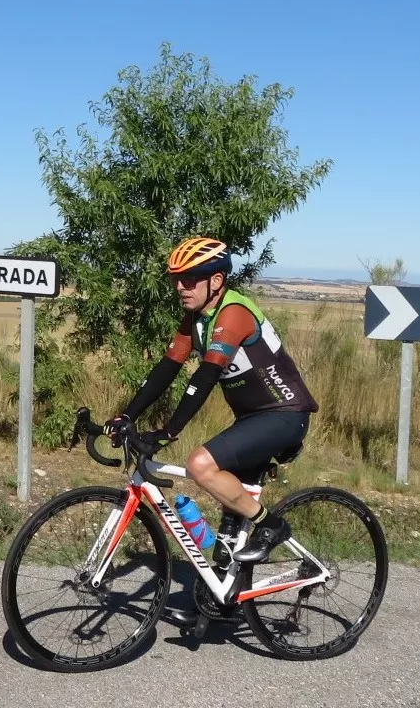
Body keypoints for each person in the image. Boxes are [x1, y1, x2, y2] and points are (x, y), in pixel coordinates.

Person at [106, 236, 318, 568]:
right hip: (250, 419)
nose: (180, 286)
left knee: (200, 465)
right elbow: (167, 368)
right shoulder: (195, 318)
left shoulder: (233, 313)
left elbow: (205, 376)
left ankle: (272, 527)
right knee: (225, 548)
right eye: (176, 279)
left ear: (216, 280)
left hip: (284, 415)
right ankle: (215, 608)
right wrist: (127, 415)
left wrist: (169, 431)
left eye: (189, 278)